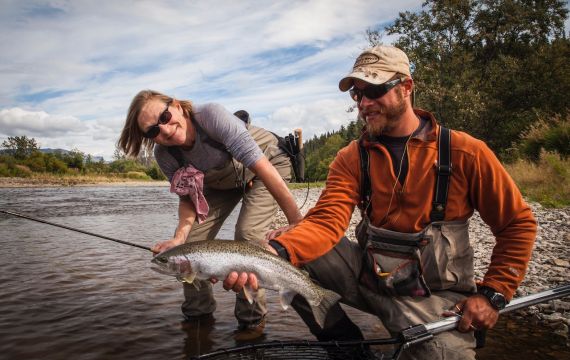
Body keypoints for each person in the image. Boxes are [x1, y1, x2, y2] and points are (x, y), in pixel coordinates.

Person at [222, 45, 537, 359]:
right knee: (289, 245)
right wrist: (273, 253)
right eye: (357, 94)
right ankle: (347, 348)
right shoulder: (351, 157)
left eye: (374, 90)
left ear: (406, 87)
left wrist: (493, 293)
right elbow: (326, 222)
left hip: (433, 298)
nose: (364, 103)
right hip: (367, 279)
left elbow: (517, 224)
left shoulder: (465, 152)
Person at [118, 90, 303, 341]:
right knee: (188, 248)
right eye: (152, 131)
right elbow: (188, 197)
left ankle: (252, 324)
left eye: (164, 116)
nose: (165, 129)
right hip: (220, 184)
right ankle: (199, 322)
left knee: (247, 235)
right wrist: (179, 237)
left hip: (266, 168)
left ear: (177, 106)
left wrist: (296, 223)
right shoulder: (165, 155)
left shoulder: (211, 116)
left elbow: (264, 169)